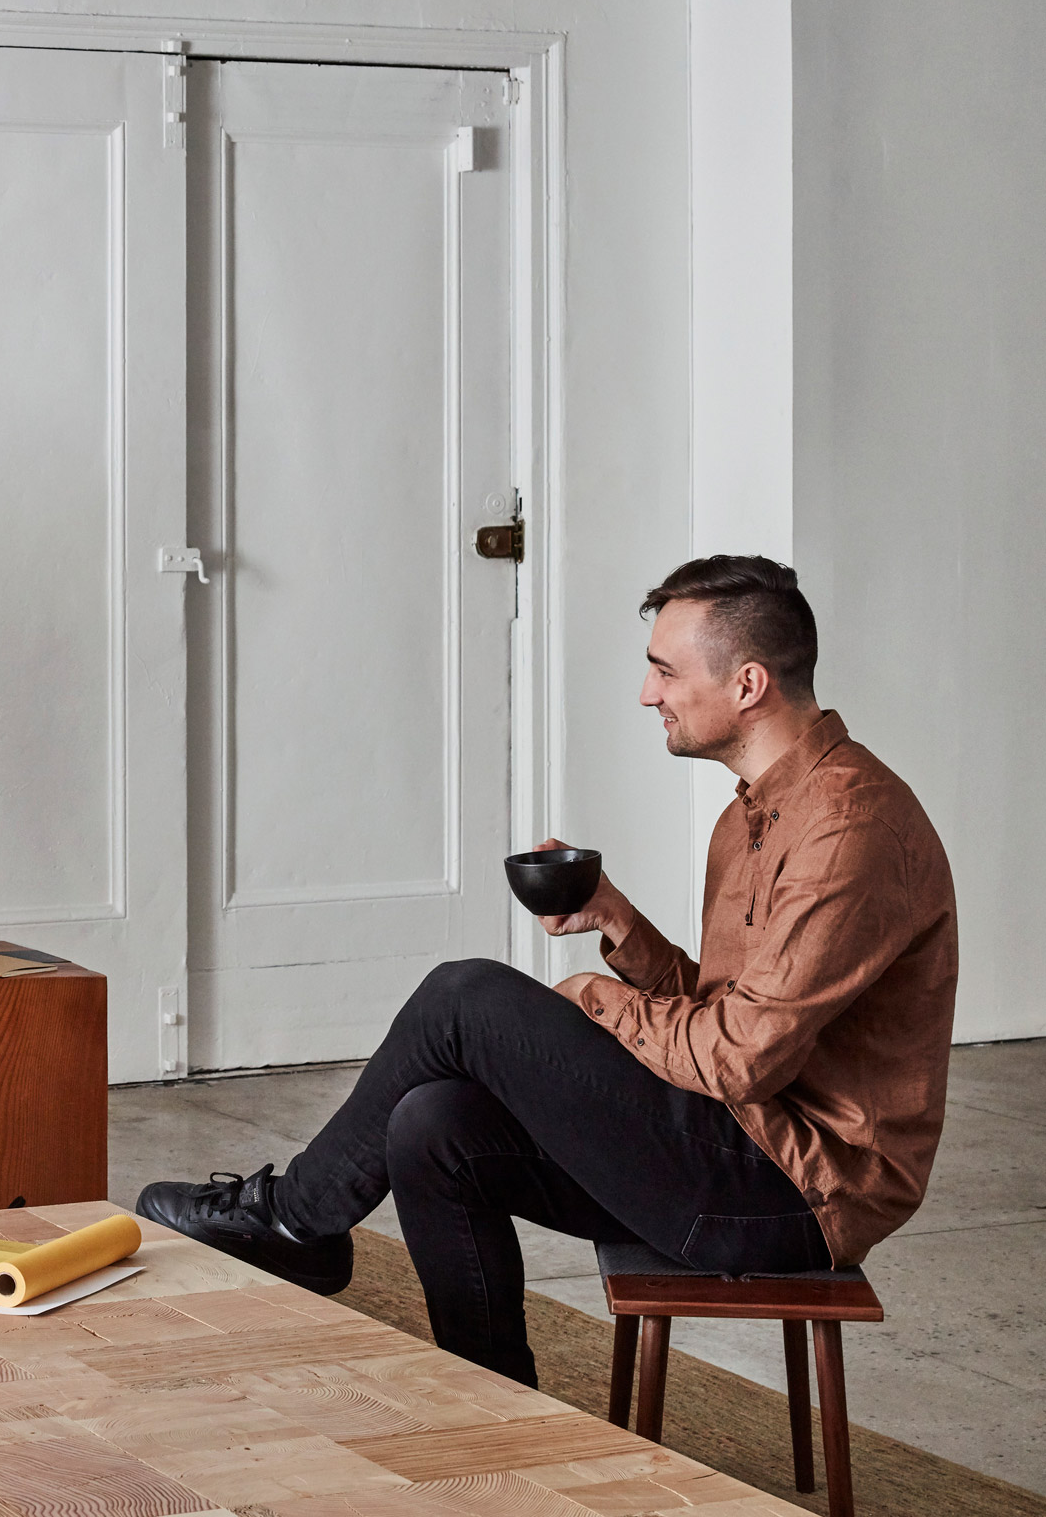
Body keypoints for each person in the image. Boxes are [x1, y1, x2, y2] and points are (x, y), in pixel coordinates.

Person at [137, 555, 957, 1387]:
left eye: (664, 671)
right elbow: (721, 1017)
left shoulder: (848, 830)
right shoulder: (751, 814)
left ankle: (296, 1222)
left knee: (465, 996)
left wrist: (596, 1002)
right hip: (740, 1143)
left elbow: (744, 1057)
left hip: (794, 1193)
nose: (648, 694)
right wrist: (615, 919)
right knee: (432, 1123)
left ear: (747, 685)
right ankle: (499, 1411)